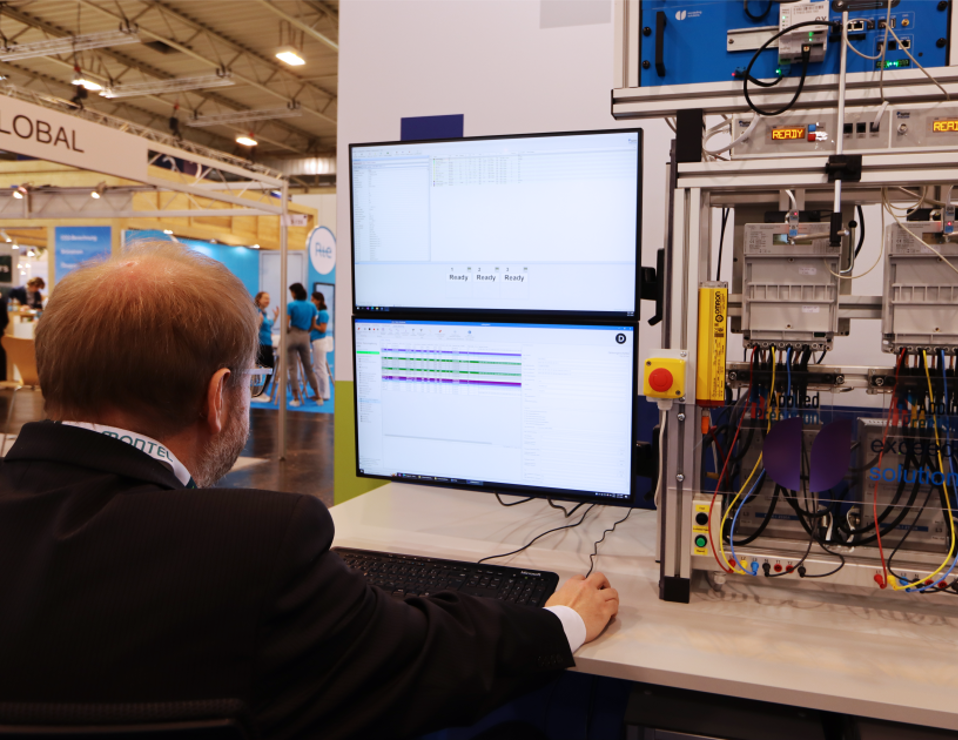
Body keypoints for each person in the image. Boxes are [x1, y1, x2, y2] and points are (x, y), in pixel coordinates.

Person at [0, 242, 620, 739]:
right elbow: (423, 658)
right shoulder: (253, 545)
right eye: (249, 383)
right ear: (217, 398)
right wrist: (562, 621)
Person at [286, 282, 322, 407]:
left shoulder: (291, 305)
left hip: (293, 335)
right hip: (305, 336)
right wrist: (306, 332)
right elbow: (313, 324)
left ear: (294, 293)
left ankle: (296, 399)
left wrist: (289, 332)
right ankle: (318, 396)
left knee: (293, 368)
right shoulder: (312, 306)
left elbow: (286, 323)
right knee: (308, 368)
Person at [309, 290, 331, 402]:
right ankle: (320, 393)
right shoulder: (320, 313)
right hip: (316, 342)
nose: (311, 301)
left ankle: (324, 394)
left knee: (320, 368)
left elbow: (323, 329)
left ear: (318, 300)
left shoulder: (323, 313)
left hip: (319, 342)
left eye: (313, 299)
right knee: (318, 369)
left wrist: (313, 324)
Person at [254, 291, 276, 403]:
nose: (268, 301)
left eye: (269, 298)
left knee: (269, 368)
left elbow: (268, 324)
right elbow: (254, 328)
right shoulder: (256, 312)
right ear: (259, 300)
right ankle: (257, 393)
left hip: (268, 344)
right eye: (265, 298)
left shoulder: (264, 313)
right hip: (261, 345)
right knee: (263, 368)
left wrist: (276, 317)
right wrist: (259, 322)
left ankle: (261, 392)